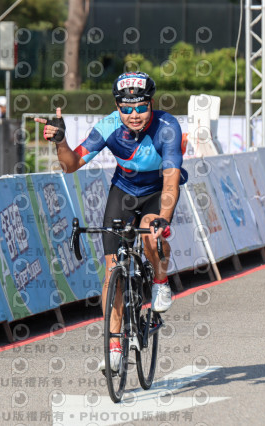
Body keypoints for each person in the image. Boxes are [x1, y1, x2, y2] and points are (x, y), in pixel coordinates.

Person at [35, 71, 187, 372]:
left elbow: (171, 181)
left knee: (151, 234)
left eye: (141, 107)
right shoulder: (107, 127)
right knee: (111, 268)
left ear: (151, 103)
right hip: (124, 192)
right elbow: (71, 164)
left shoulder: (167, 127)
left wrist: (164, 219)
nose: (134, 115)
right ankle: (114, 343)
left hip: (157, 190)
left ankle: (160, 281)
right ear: (117, 107)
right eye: (127, 109)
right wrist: (61, 141)